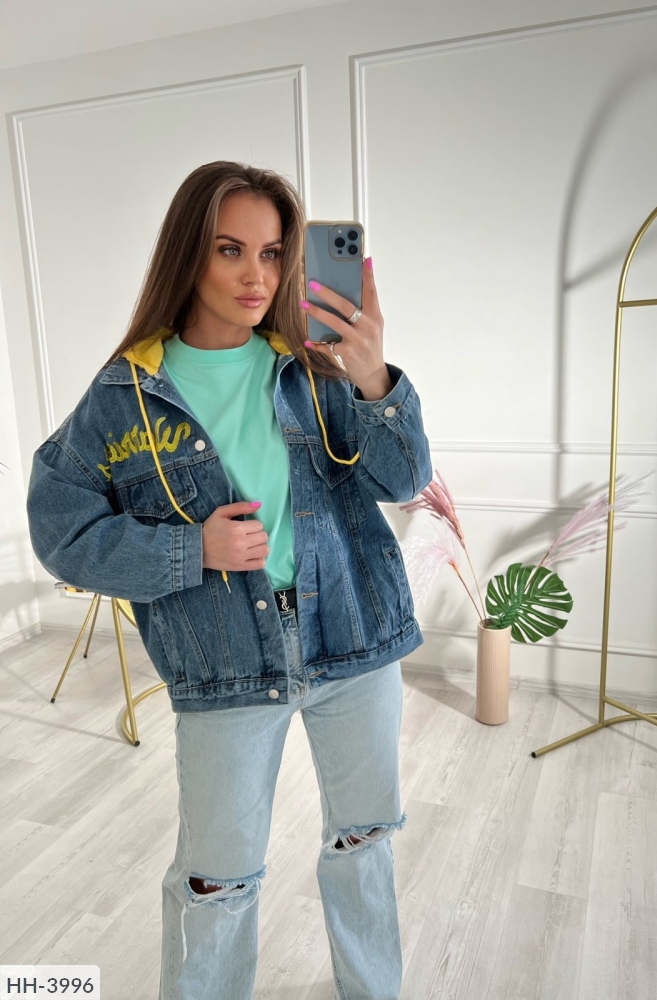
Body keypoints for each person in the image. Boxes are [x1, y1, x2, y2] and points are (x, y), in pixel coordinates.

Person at [26, 160, 433, 999]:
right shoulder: (127, 395)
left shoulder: (314, 370)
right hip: (226, 665)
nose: (257, 276)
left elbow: (403, 479)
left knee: (364, 841)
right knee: (216, 879)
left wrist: (374, 377)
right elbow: (59, 529)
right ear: (190, 254)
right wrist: (191, 550)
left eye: (274, 253)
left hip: (352, 640)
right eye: (230, 250)